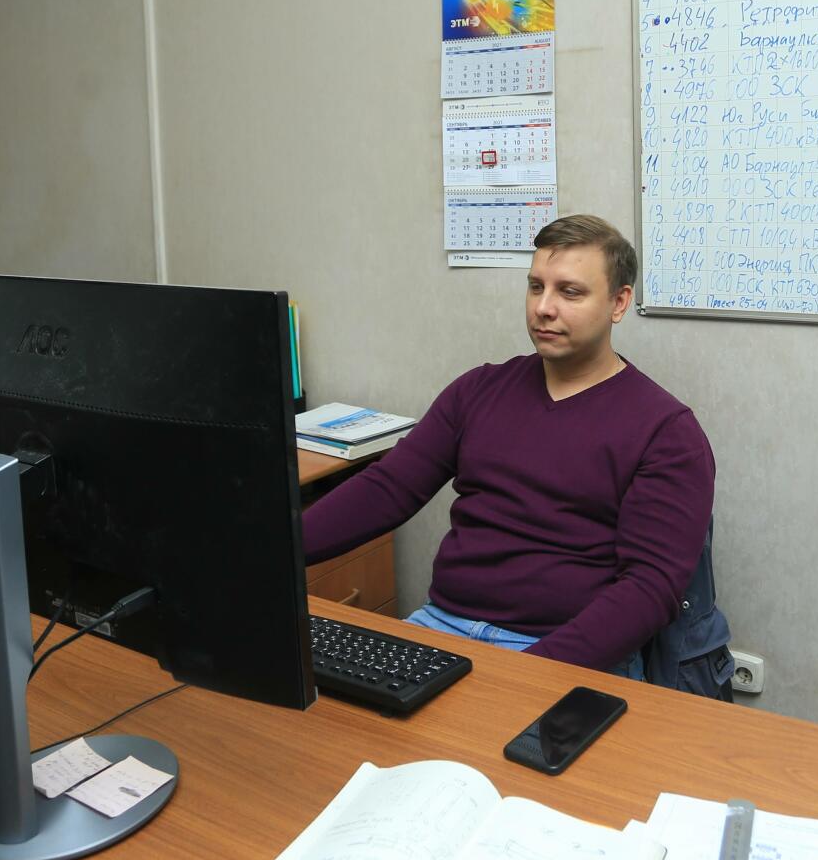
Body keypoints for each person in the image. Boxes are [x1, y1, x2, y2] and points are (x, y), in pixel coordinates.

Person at [301, 214, 715, 678]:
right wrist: (273, 546)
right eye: (536, 287)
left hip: (563, 651)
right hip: (442, 626)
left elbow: (650, 589)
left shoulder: (666, 432)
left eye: (569, 292)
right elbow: (388, 488)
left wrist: (523, 676)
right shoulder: (478, 390)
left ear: (618, 303)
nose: (544, 308)